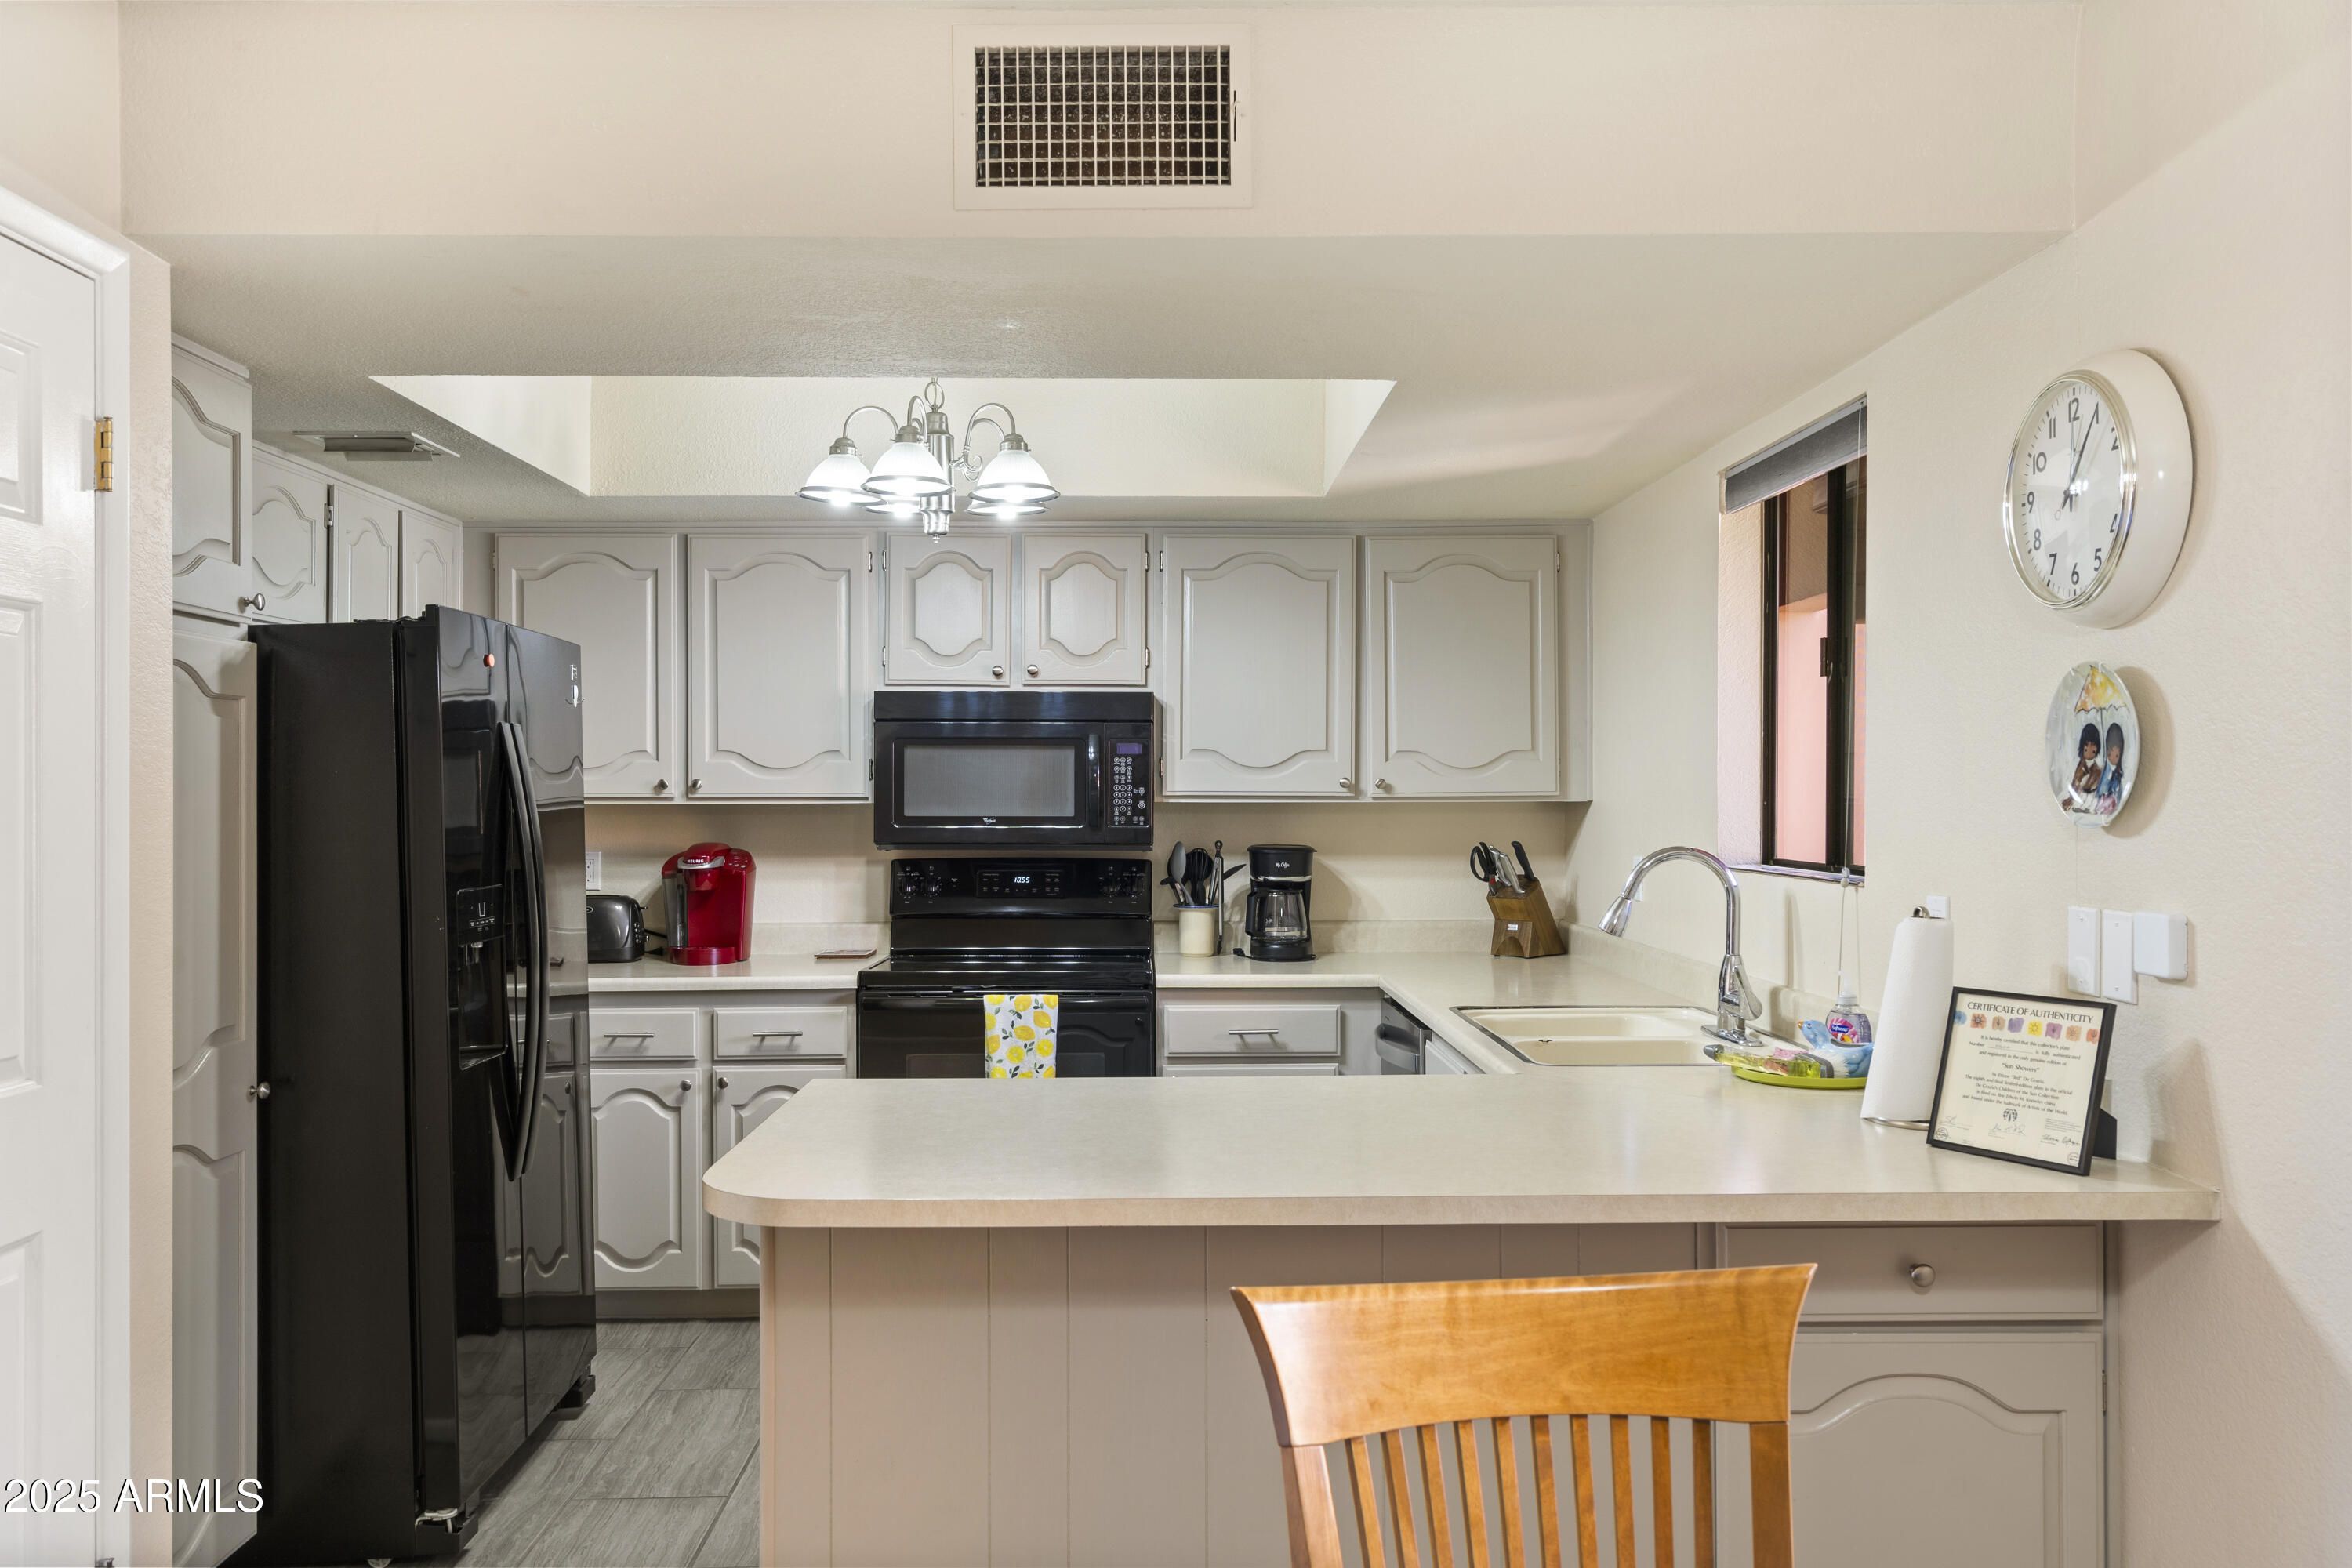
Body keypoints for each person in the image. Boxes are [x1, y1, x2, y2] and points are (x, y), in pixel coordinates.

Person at [2096, 724, 2127, 814]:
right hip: (2103, 798)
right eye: (2109, 754)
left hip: (2112, 801)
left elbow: (2118, 792)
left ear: (2120, 754)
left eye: (2116, 755)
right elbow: (2101, 788)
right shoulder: (2106, 770)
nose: (2112, 758)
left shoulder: (2118, 773)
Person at [2070, 723, 2103, 804]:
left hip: (2091, 800)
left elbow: (2092, 788)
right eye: (2086, 746)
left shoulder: (2098, 771)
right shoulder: (2081, 764)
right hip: (2078, 800)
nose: (2090, 749)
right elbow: (2074, 783)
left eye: (2093, 746)